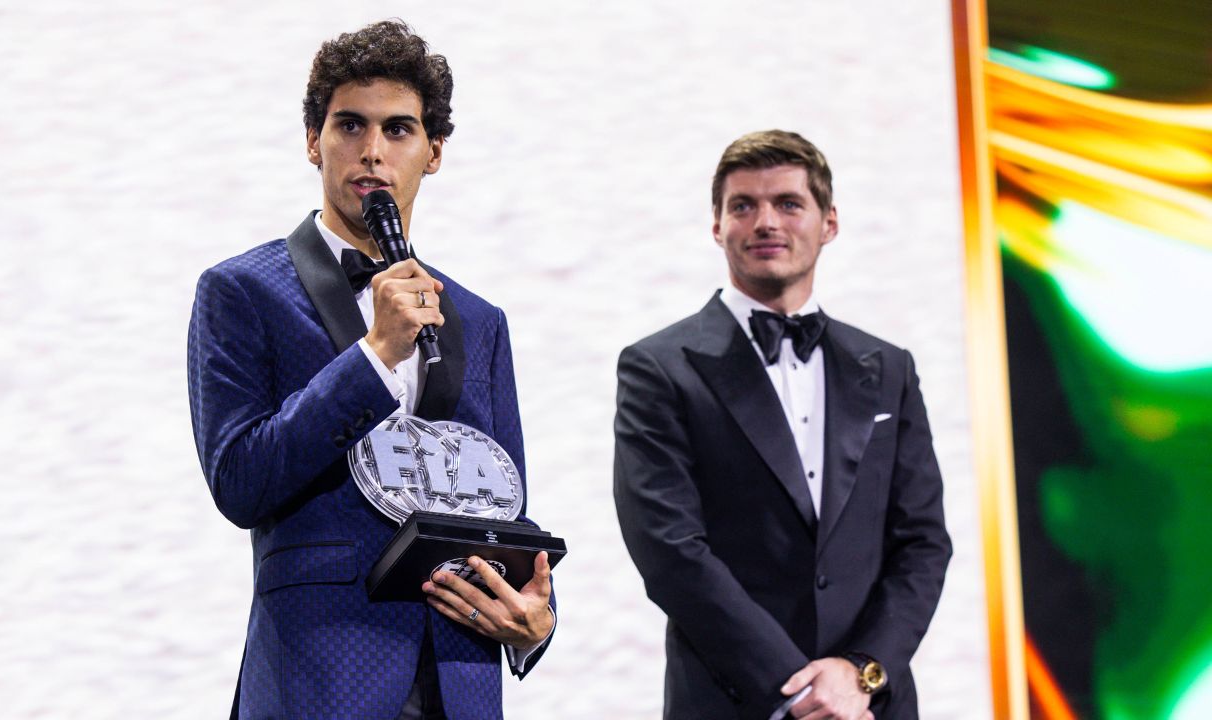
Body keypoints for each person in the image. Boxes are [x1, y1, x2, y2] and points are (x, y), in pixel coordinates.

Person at [187, 21, 554, 720]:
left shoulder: (479, 319)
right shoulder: (242, 291)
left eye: (398, 130)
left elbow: (501, 508)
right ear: (312, 141)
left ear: (434, 151)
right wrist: (375, 355)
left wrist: (538, 616)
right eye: (349, 125)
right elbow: (240, 481)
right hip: (319, 678)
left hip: (461, 676)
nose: (372, 152)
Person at [613, 130, 951, 720]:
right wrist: (799, 690)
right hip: (733, 701)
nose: (766, 221)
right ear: (717, 226)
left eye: (789, 203)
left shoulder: (890, 368)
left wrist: (860, 671)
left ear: (829, 223)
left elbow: (922, 542)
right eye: (743, 205)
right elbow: (668, 549)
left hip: (871, 704)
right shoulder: (658, 367)